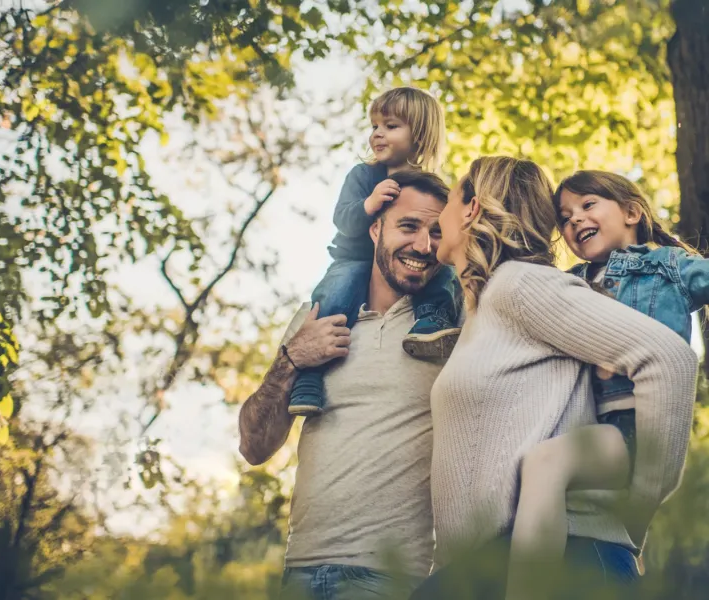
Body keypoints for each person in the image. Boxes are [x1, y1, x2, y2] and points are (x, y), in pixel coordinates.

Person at [411, 157, 698, 600]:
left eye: (448, 200)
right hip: (488, 566)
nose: (438, 220)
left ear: (471, 210)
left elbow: (669, 358)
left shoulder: (522, 285)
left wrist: (641, 500)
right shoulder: (489, 304)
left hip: (574, 559)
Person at [239, 171, 455, 600]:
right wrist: (292, 359)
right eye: (408, 226)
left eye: (436, 232)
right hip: (299, 571)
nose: (422, 246)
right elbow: (254, 445)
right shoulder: (316, 317)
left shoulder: (451, 328)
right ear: (375, 228)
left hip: (391, 578)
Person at [505, 170, 709, 599]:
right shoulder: (570, 282)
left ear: (632, 212)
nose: (575, 220)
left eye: (588, 205)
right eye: (565, 217)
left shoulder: (667, 266)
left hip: (633, 426)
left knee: (547, 462)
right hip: (588, 424)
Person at [288, 87, 461, 417]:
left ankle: (432, 321)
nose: (377, 134)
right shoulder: (364, 176)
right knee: (335, 295)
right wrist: (369, 204)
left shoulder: (433, 187)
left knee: (446, 274)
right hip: (355, 259)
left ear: (421, 134)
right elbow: (342, 219)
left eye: (391, 126)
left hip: (409, 265)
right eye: (374, 126)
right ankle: (309, 378)